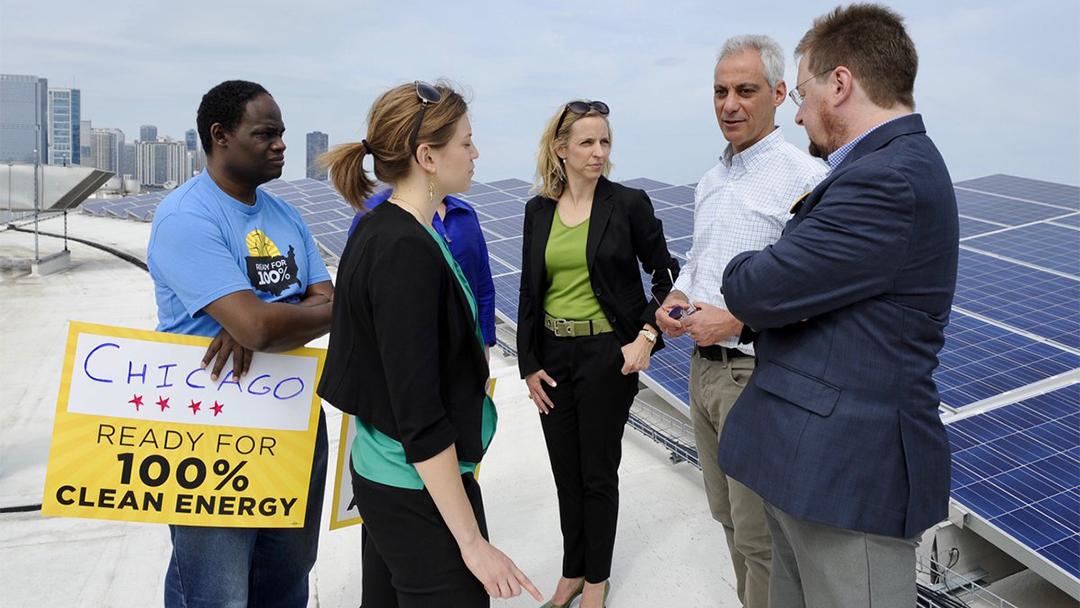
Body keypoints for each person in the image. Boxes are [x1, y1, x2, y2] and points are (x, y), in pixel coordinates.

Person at [718, 5, 958, 607]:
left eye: (802, 93)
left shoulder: (887, 180)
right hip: (807, 464)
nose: (797, 113)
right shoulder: (875, 172)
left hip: (849, 477)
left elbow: (752, 289)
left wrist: (758, 268)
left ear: (842, 83)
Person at [316, 80, 541, 608]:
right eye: (465, 141)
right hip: (415, 485)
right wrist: (472, 543)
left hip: (388, 472)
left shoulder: (391, 228)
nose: (475, 152)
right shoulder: (404, 249)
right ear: (427, 157)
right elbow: (417, 411)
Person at [147, 80, 333, 607]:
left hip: (292, 421)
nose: (280, 145)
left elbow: (333, 301)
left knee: (287, 577)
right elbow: (259, 327)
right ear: (220, 135)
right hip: (210, 431)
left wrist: (261, 316)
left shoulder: (285, 215)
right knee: (217, 591)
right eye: (265, 133)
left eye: (282, 134)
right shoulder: (188, 217)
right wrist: (268, 318)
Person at [654, 35, 825, 608]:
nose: (730, 103)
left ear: (779, 94)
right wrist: (674, 299)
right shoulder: (712, 180)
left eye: (745, 90)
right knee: (726, 518)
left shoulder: (804, 178)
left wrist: (735, 323)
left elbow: (815, 295)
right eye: (721, 91)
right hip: (701, 375)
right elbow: (699, 264)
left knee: (761, 537)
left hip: (755, 380)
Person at [518, 99, 679, 608]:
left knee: (596, 472)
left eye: (604, 141)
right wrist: (528, 364)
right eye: (586, 142)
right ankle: (571, 572)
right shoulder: (538, 209)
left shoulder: (628, 204)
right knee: (565, 470)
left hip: (607, 355)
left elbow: (669, 275)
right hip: (552, 355)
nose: (598, 152)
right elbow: (529, 291)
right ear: (560, 149)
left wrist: (647, 335)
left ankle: (596, 581)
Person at [348, 189, 496, 350]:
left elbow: (483, 287)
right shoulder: (373, 214)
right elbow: (357, 297)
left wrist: (484, 343)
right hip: (403, 353)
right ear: (427, 162)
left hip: (463, 354)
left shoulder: (464, 213)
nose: (473, 161)